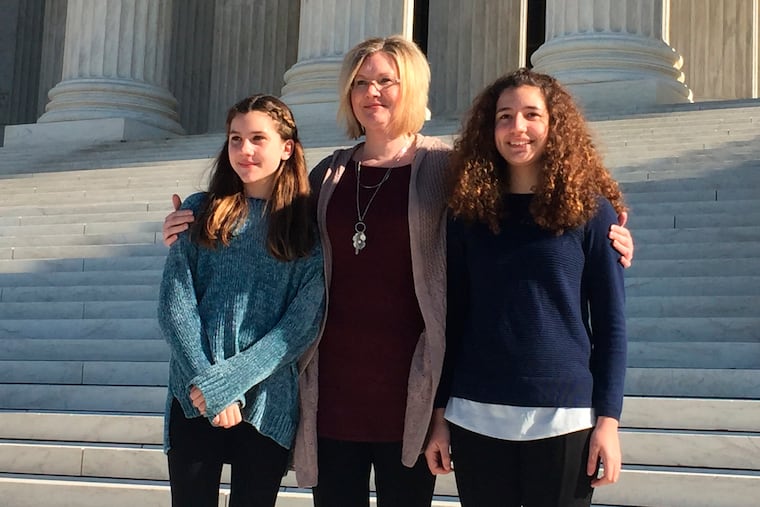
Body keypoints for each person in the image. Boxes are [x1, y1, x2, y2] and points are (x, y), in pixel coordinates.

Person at [161, 38, 635, 507]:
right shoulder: (329, 174)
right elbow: (268, 226)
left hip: (410, 393)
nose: (373, 92)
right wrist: (195, 217)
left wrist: (607, 226)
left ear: (411, 87)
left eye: (386, 80)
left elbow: (526, 187)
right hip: (335, 393)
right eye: (361, 82)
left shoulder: (449, 169)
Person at [424, 68, 628, 507]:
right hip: (475, 414)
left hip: (564, 419)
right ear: (489, 128)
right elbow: (452, 319)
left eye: (531, 114)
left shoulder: (592, 213)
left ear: (555, 125)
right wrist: (440, 415)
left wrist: (608, 422)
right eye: (504, 116)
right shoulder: (466, 215)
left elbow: (611, 326)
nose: (517, 128)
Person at [157, 94, 325, 507]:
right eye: (235, 138)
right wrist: (209, 385)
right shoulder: (200, 211)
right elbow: (174, 307)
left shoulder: (306, 226)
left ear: (287, 148)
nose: (244, 150)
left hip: (266, 401)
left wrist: (231, 383)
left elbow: (300, 322)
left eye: (257, 138)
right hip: (194, 396)